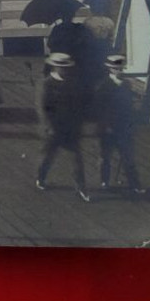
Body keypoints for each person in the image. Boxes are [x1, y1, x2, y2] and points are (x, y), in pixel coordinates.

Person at [35, 52, 91, 201]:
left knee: (76, 158)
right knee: (47, 157)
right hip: (53, 130)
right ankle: (41, 178)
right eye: (61, 67)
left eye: (66, 67)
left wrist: (78, 125)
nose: (65, 70)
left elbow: (78, 106)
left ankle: (81, 188)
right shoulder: (46, 84)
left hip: (69, 128)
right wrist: (48, 126)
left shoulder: (72, 83)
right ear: (54, 67)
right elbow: (42, 108)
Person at [93, 55, 145, 194]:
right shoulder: (103, 86)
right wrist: (106, 126)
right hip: (107, 129)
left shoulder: (127, 85)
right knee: (105, 157)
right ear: (110, 69)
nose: (119, 71)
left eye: (121, 68)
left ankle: (135, 184)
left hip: (123, 127)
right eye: (116, 69)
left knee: (128, 156)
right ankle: (104, 181)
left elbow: (129, 107)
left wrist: (132, 123)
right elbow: (98, 110)